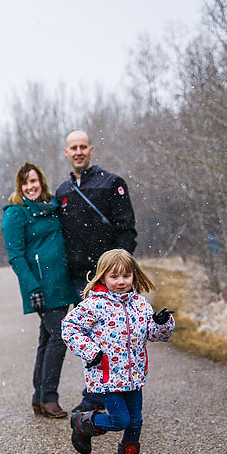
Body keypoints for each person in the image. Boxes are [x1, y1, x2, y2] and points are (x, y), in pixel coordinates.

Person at [61, 249, 174, 454]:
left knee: (136, 422)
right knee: (121, 420)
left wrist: (162, 324)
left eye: (126, 276)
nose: (121, 282)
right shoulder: (94, 305)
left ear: (134, 276)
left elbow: (154, 334)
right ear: (102, 277)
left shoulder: (140, 305)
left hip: (134, 376)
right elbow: (69, 328)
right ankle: (84, 422)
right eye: (114, 277)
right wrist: (90, 351)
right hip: (107, 376)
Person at [55, 129, 138, 414]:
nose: (78, 152)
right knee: (89, 337)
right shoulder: (63, 192)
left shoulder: (112, 184)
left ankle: (114, 390)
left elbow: (127, 229)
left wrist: (121, 270)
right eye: (72, 148)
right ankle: (97, 392)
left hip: (110, 277)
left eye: (82, 147)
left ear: (91, 150)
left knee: (116, 334)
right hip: (81, 280)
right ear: (66, 153)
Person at [1, 162, 79, 419]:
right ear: (19, 187)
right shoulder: (16, 213)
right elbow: (16, 256)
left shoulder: (53, 207)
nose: (30, 186)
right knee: (60, 336)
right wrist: (32, 287)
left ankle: (39, 397)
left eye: (33, 181)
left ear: (41, 182)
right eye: (25, 183)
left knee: (47, 338)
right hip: (41, 287)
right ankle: (49, 397)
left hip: (62, 283)